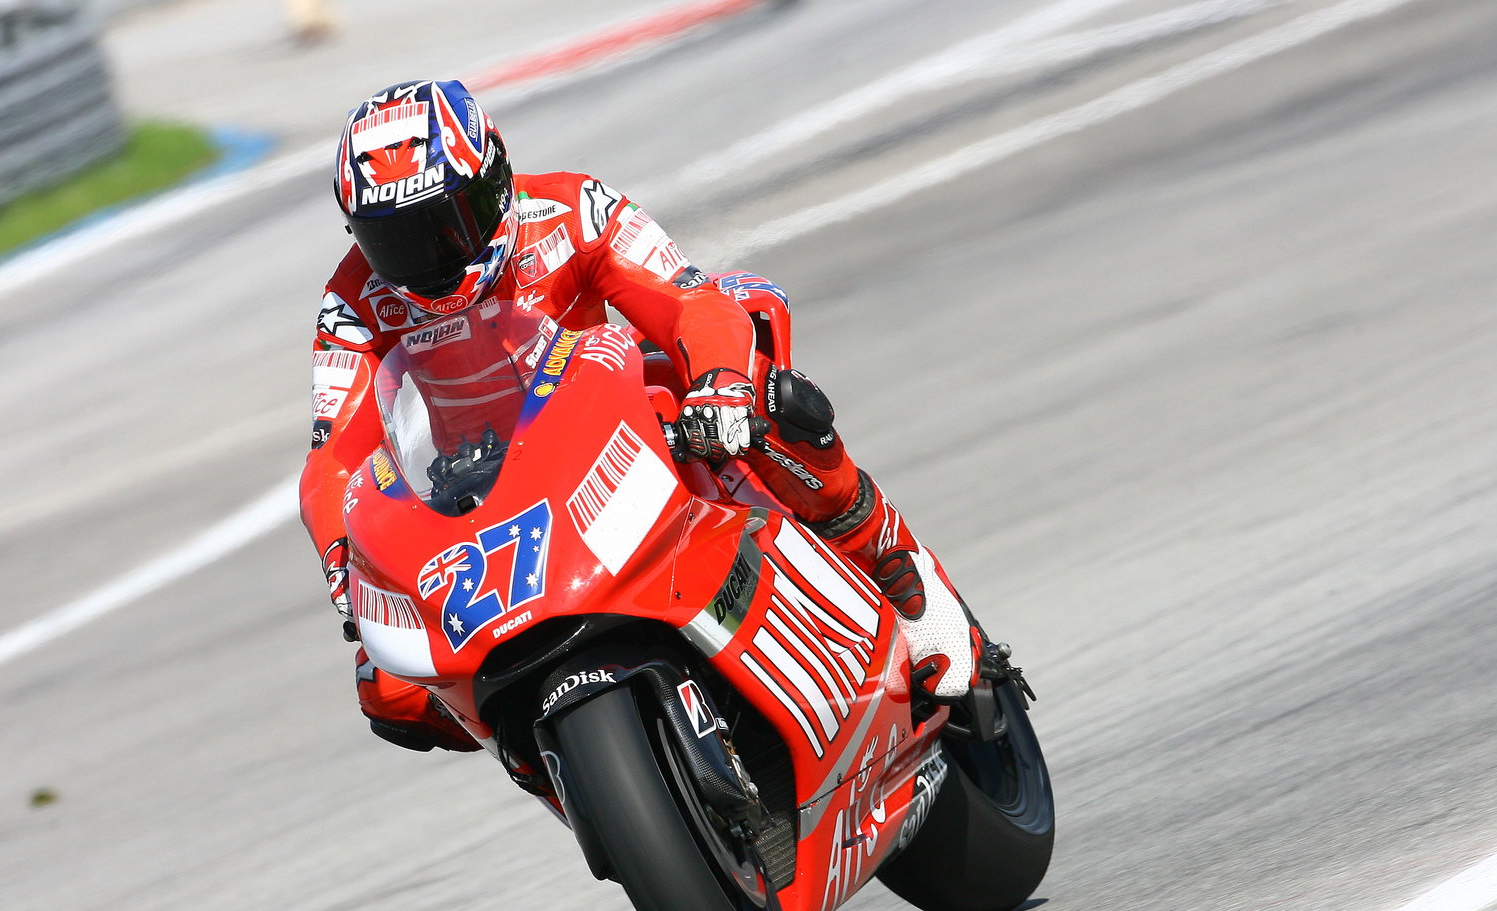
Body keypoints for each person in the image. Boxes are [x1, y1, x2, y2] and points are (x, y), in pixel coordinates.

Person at [300, 79, 984, 752]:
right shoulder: (352, 302)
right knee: (390, 689)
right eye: (400, 240)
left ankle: (896, 566)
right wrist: (343, 561)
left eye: (451, 221)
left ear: (496, 179)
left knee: (768, 399)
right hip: (475, 494)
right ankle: (568, 759)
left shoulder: (571, 212)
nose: (434, 256)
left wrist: (718, 387)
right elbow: (336, 456)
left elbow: (691, 300)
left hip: (612, 419)